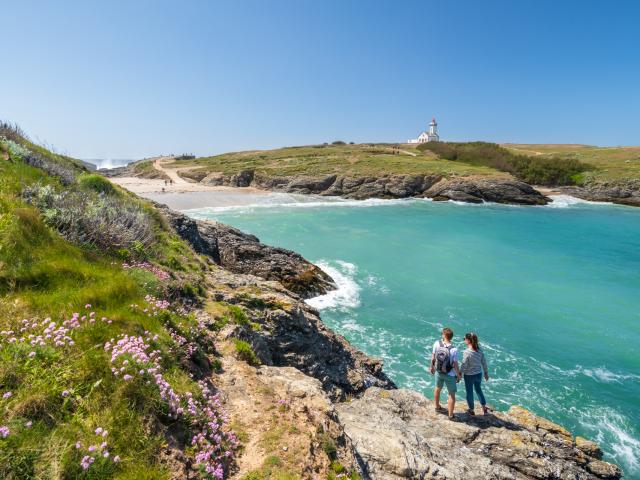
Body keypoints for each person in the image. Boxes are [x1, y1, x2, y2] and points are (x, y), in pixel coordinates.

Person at [429, 327, 462, 420]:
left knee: (437, 388)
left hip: (439, 371)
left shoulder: (437, 343)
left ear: (444, 335)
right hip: (450, 374)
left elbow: (433, 357)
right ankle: (451, 415)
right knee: (451, 394)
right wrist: (458, 375)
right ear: (451, 337)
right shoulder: (454, 349)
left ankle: (437, 407)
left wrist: (431, 367)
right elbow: (455, 365)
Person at [461, 332, 490, 415]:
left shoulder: (467, 352)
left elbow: (464, 365)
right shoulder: (480, 350)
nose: (464, 341)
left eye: (464, 339)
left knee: (469, 392)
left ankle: (471, 409)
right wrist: (486, 373)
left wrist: (459, 375)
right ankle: (484, 408)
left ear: (468, 340)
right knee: (478, 390)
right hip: (478, 374)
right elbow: (484, 362)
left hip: (469, 375)